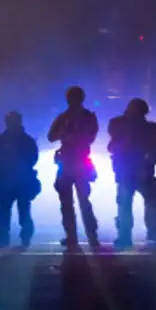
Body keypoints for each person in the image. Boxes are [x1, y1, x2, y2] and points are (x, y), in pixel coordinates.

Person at [107, 98, 156, 249]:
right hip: (143, 171)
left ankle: (125, 238)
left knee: (125, 206)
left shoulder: (119, 125)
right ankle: (155, 236)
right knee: (150, 204)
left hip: (128, 171)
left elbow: (112, 146)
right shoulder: (147, 128)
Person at [47, 86, 100, 250]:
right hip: (70, 160)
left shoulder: (84, 117)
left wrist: (72, 135)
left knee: (80, 201)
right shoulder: (66, 117)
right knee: (71, 201)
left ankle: (87, 236)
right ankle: (77, 236)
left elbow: (91, 136)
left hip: (78, 160)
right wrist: (65, 133)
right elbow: (51, 136)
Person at [0, 111, 41, 248]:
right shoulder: (20, 139)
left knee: (14, 210)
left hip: (15, 179)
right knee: (13, 210)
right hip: (12, 179)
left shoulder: (5, 139)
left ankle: (10, 238)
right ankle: (16, 238)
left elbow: (33, 157)